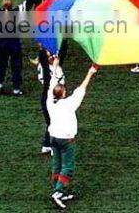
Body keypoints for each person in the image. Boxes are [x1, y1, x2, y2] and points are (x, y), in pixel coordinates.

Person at [48, 57, 98, 209]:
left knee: (57, 164)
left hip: (53, 137)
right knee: (68, 167)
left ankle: (58, 189)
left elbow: (51, 82)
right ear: (63, 93)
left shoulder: (50, 100)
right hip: (66, 139)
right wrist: (90, 72)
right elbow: (82, 88)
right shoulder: (69, 103)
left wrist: (55, 65)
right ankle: (57, 192)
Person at [35, 41, 68, 155]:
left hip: (55, 98)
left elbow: (62, 53)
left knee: (52, 122)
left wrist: (64, 39)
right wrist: (41, 48)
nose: (54, 56)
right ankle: (54, 146)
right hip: (49, 99)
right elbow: (44, 59)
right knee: (54, 122)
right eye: (51, 55)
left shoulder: (56, 65)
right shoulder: (46, 68)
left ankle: (46, 145)